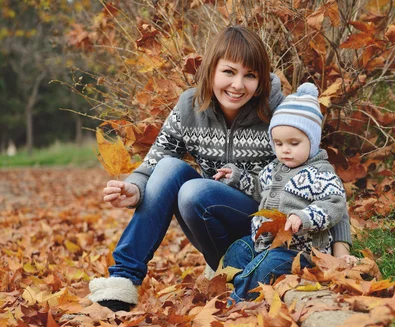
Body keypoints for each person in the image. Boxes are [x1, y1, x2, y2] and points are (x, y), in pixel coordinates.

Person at [88, 26, 353, 312]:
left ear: (261, 79)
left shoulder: (279, 110)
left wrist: (342, 250)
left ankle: (233, 269)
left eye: (249, 75)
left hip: (267, 226)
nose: (238, 85)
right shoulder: (190, 107)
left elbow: (325, 182)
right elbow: (157, 158)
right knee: (168, 168)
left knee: (193, 192)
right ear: (211, 70)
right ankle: (124, 280)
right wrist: (136, 187)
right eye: (229, 72)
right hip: (212, 221)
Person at [215, 83, 352, 302]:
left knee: (267, 264)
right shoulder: (273, 168)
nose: (285, 149)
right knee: (237, 250)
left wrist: (305, 217)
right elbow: (260, 189)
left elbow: (334, 204)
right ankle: (232, 286)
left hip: (300, 251)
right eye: (278, 143)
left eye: (294, 143)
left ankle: (236, 302)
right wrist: (237, 177)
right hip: (263, 242)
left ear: (313, 141)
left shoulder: (320, 174)